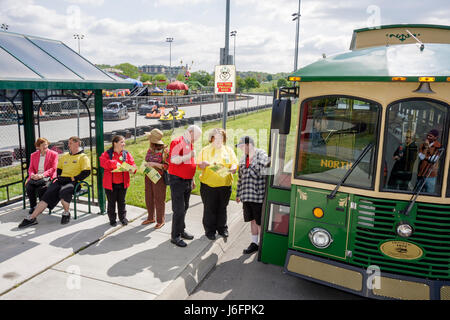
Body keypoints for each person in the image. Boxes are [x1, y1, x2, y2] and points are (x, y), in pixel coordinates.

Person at [18, 136, 91, 228]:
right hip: (61, 180)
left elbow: (86, 172)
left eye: (70, 143)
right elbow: (59, 170)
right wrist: (60, 177)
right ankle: (32, 218)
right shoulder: (65, 156)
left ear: (77, 144)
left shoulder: (83, 157)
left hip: (73, 182)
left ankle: (66, 213)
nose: (68, 145)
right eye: (68, 143)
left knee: (64, 192)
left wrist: (72, 178)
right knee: (47, 194)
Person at [197, 128, 238, 240]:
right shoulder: (205, 150)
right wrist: (202, 164)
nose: (219, 139)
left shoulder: (228, 150)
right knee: (209, 208)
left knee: (222, 207)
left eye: (221, 137)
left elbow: (234, 163)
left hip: (225, 185)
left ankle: (222, 228)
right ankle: (210, 230)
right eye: (216, 137)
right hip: (208, 186)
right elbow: (198, 165)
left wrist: (234, 168)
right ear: (212, 138)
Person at [168, 125, 202, 247]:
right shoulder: (177, 142)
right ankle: (175, 236)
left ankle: (181, 230)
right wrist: (190, 155)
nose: (196, 140)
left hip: (187, 180)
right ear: (190, 132)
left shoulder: (189, 143)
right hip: (177, 180)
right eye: (196, 137)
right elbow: (174, 160)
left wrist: (192, 178)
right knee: (179, 209)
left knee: (185, 207)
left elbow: (190, 163)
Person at [236, 136, 270, 254]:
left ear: (248, 145)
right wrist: (238, 193)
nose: (241, 149)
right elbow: (240, 178)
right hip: (246, 196)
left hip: (258, 196)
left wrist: (250, 166)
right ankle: (254, 243)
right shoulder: (243, 158)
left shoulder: (261, 154)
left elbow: (265, 169)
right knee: (252, 220)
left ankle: (263, 244)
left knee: (260, 221)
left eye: (242, 147)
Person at [99, 135, 137, 227]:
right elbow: (102, 163)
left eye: (124, 142)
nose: (124, 144)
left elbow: (133, 164)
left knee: (122, 202)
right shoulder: (107, 154)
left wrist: (133, 169)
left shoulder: (126, 154)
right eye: (121, 142)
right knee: (111, 203)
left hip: (123, 183)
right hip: (110, 184)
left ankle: (122, 218)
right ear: (115, 143)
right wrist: (115, 163)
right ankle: (112, 219)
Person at [142, 129, 169, 229]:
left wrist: (154, 164)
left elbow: (167, 166)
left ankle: (160, 220)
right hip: (148, 175)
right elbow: (146, 159)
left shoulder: (165, 151)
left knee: (159, 198)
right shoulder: (150, 149)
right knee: (148, 196)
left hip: (159, 177)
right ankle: (150, 217)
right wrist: (146, 164)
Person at [25, 137, 58, 214]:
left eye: (46, 144)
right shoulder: (33, 155)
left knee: (41, 188)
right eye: (43, 145)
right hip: (36, 177)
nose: (45, 146)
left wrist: (42, 175)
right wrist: (32, 175)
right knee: (29, 186)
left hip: (47, 177)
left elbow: (53, 168)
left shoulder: (54, 154)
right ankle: (33, 206)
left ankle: (41, 206)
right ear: (38, 146)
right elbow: (31, 169)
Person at [417, 129, 442, 193]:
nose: (428, 137)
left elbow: (434, 159)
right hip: (421, 173)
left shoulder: (438, 146)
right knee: (418, 192)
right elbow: (421, 157)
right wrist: (426, 147)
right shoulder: (423, 145)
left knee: (429, 193)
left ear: (435, 137)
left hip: (431, 174)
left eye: (430, 136)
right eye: (427, 135)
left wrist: (426, 152)